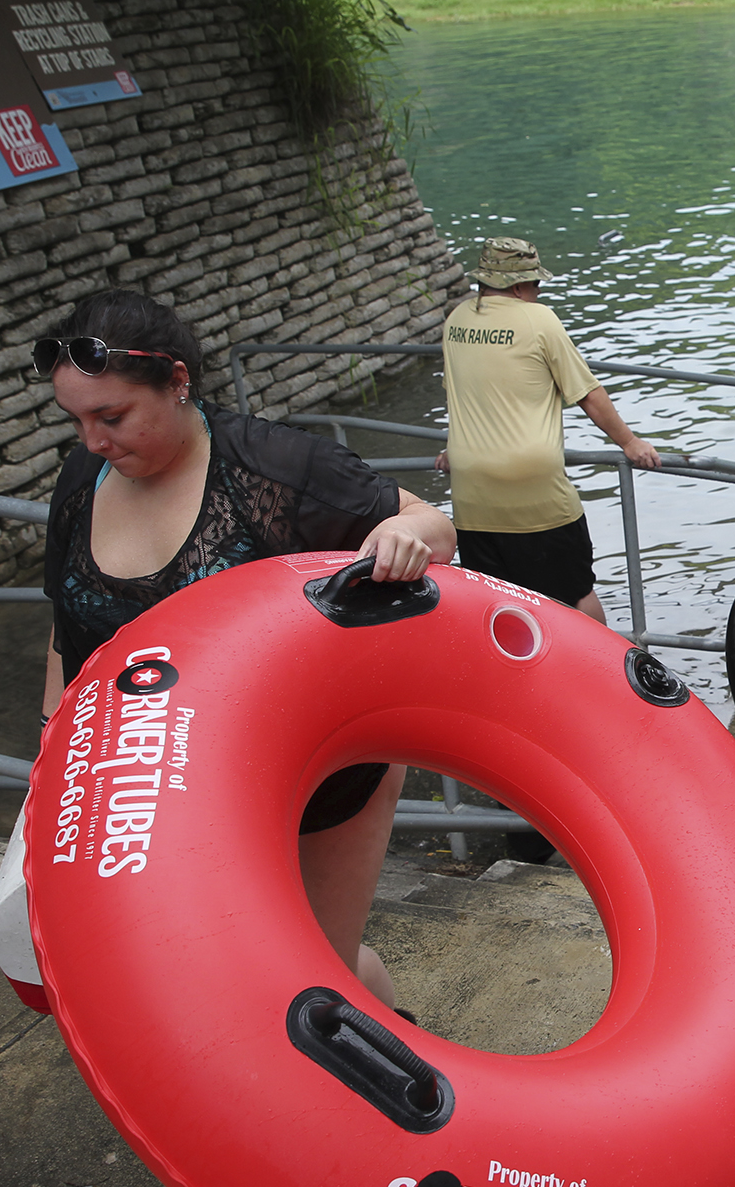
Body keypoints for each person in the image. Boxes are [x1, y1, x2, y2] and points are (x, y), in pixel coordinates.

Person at [38, 290, 455, 1009]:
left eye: (112, 417)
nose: (94, 441)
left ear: (177, 382)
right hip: (163, 780)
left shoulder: (276, 466)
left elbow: (430, 522)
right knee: (217, 968)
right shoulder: (83, 481)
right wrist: (51, 754)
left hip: (314, 769)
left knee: (314, 973)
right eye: (76, 421)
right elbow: (64, 627)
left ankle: (402, 1071)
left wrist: (403, 537)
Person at [433, 238, 660, 625]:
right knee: (575, 595)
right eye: (536, 285)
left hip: (472, 493)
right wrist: (630, 441)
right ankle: (601, 676)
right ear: (521, 286)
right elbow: (587, 393)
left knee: (499, 604)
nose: (538, 293)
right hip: (532, 490)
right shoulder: (538, 320)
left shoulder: (457, 321)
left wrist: (453, 447)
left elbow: (465, 393)